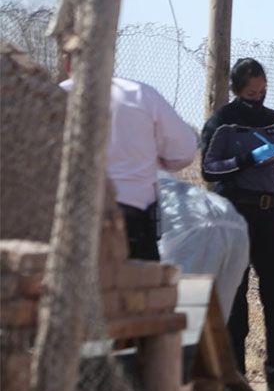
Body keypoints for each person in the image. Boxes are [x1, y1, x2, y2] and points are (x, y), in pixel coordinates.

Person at [200, 58, 274, 391]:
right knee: (235, 298)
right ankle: (235, 379)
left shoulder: (272, 119)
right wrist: (247, 160)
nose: (258, 98)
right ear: (236, 89)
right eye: (251, 92)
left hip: (270, 216)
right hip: (235, 215)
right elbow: (209, 169)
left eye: (262, 91)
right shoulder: (221, 122)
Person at [60, 69, 197, 261]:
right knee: (139, 286)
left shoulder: (55, 96)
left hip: (68, 219)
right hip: (130, 221)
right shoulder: (139, 93)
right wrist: (159, 160)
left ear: (67, 61)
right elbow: (184, 150)